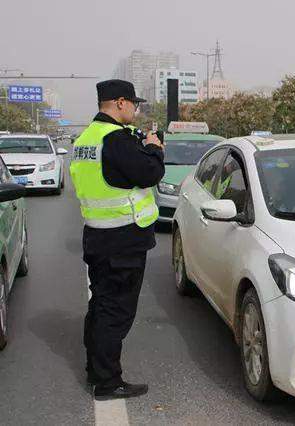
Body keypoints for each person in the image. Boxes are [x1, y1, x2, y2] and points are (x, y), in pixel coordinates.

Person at [70, 79, 165, 400]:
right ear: (120, 103)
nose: (136, 110)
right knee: (116, 313)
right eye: (134, 104)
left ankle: (95, 372)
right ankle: (108, 383)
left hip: (97, 237)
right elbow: (149, 174)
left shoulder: (86, 138)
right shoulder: (116, 140)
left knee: (100, 307)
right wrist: (154, 148)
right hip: (123, 242)